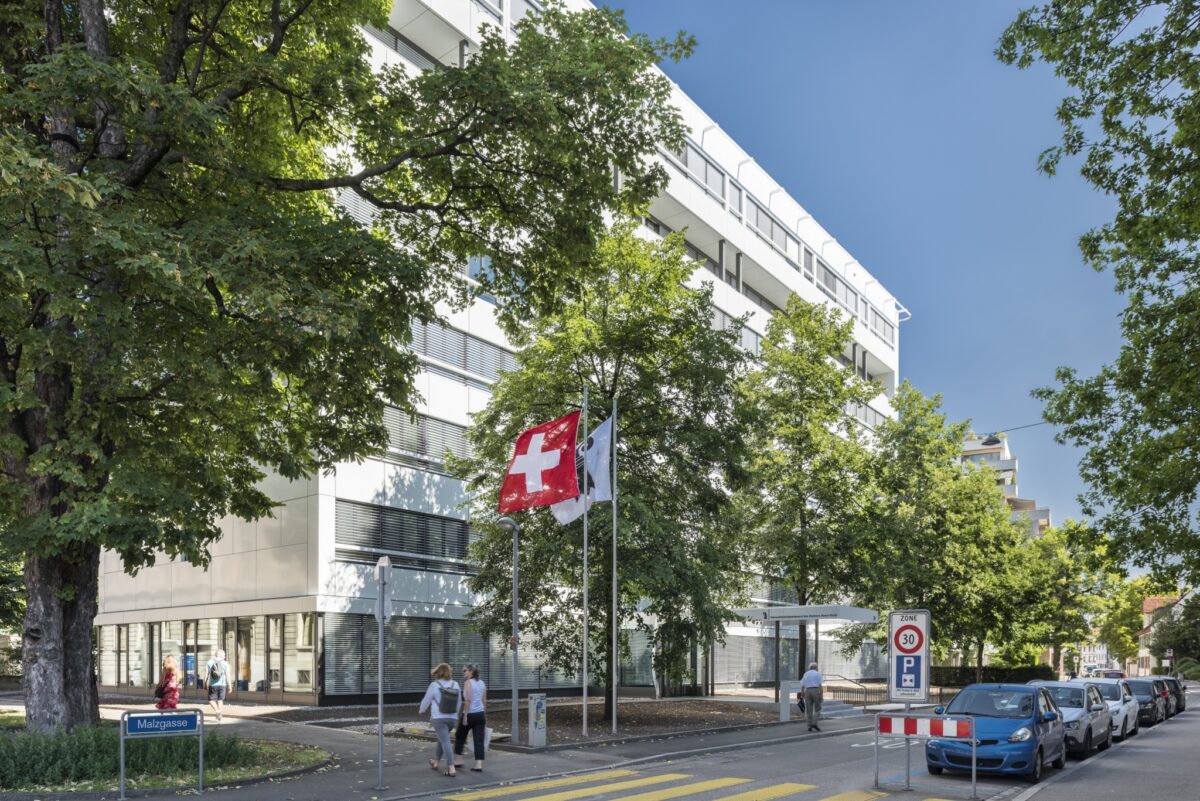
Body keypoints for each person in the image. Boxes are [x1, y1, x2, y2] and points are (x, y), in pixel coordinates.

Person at [419, 662, 462, 777]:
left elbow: (427, 700)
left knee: (445, 741)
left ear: (438, 673)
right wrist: (455, 714)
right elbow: (459, 702)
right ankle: (435, 762)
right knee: (442, 739)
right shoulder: (455, 684)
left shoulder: (434, 685)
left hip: (438, 718)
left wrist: (422, 709)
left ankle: (451, 767)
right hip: (452, 718)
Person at [454, 663, 487, 772]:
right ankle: (478, 764)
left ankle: (459, 760)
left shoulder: (468, 683)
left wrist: (465, 716)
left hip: (470, 714)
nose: (463, 672)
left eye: (465, 670)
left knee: (460, 735)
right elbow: (484, 700)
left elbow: (468, 700)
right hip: (480, 714)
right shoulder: (482, 683)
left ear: (471, 672)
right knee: (479, 739)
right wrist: (484, 714)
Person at [205, 648, 231, 723]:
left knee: (211, 700)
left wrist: (205, 683)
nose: (225, 657)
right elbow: (228, 675)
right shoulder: (225, 663)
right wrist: (230, 685)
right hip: (222, 685)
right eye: (224, 655)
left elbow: (206, 674)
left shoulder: (209, 662)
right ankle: (218, 714)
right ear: (220, 655)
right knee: (220, 700)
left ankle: (217, 711)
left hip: (212, 685)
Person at [800, 661, 823, 732]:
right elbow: (820, 686)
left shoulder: (806, 674)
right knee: (818, 708)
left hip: (807, 691)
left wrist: (802, 693)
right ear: (816, 668)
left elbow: (802, 685)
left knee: (808, 709)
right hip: (815, 690)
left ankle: (809, 725)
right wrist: (821, 695)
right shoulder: (818, 674)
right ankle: (814, 723)